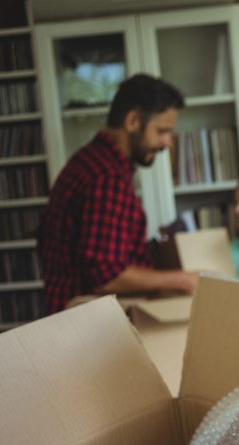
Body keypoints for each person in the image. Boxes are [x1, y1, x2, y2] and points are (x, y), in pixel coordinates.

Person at [39, 74, 199, 314]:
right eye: (162, 130)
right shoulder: (107, 177)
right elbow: (107, 277)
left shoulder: (91, 160)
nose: (168, 142)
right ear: (133, 120)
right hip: (88, 329)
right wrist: (184, 279)